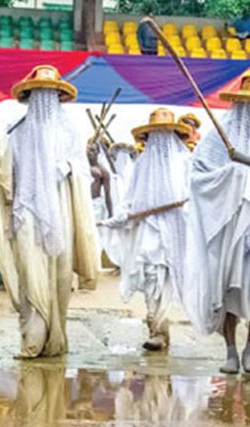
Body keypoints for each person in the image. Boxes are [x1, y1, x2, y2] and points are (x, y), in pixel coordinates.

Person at [183, 69, 250, 374]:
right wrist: (233, 176)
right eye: (249, 103)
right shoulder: (221, 134)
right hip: (230, 225)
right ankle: (230, 350)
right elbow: (199, 175)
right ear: (239, 103)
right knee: (229, 293)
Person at [0, 65, 99, 358]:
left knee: (60, 274)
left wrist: (67, 168)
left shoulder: (70, 129)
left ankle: (56, 338)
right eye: (39, 94)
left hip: (61, 210)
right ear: (29, 97)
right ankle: (33, 339)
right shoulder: (16, 129)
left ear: (59, 97)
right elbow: (4, 169)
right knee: (29, 271)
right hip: (26, 208)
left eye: (50, 94)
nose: (44, 99)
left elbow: (82, 169)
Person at [103, 108, 191, 351]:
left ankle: (161, 328)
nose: (160, 140)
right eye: (155, 135)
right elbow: (131, 199)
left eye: (165, 134)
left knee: (168, 277)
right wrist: (120, 217)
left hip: (177, 229)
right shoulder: (142, 165)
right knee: (152, 275)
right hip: (148, 230)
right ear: (148, 138)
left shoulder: (185, 163)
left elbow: (194, 198)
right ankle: (156, 328)